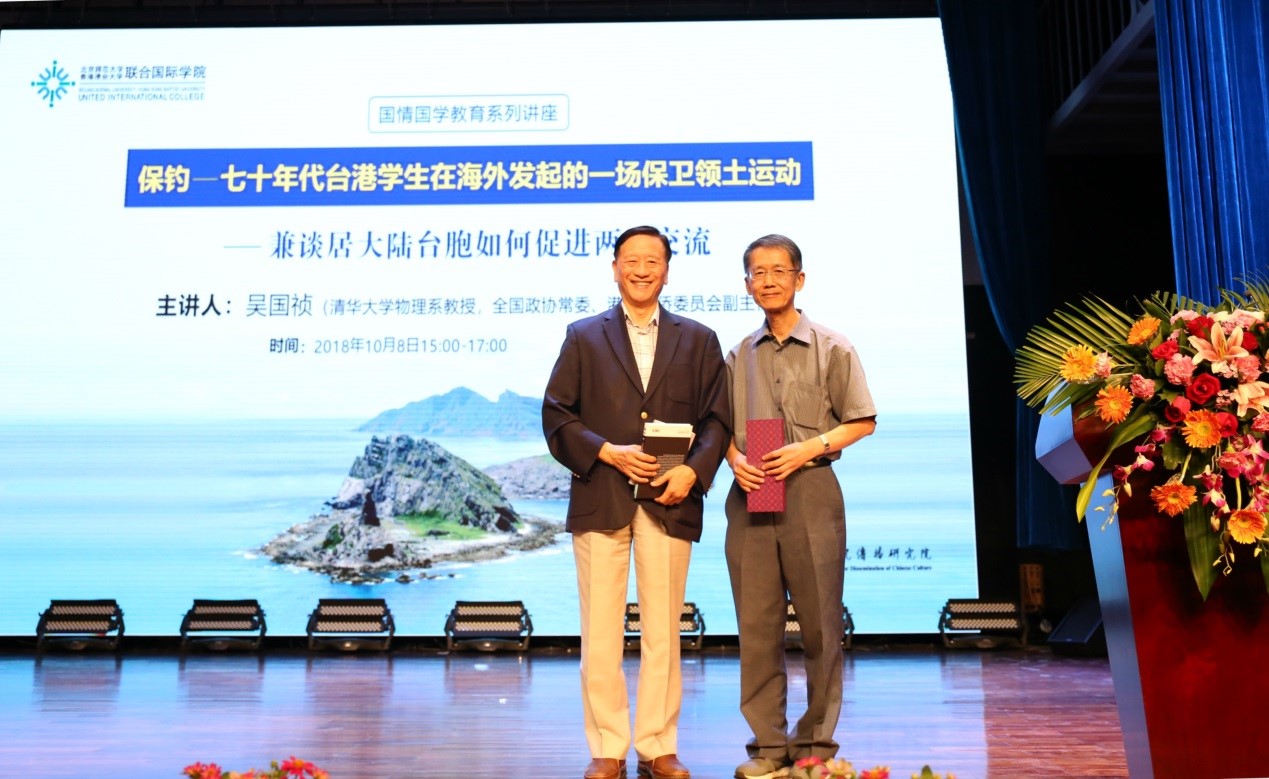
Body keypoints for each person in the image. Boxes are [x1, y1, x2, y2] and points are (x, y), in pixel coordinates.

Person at [543, 225, 731, 779]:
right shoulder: (583, 335)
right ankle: (607, 748)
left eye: (653, 261)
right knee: (600, 631)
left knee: (663, 631)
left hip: (670, 500)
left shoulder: (699, 338)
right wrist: (607, 452)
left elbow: (718, 420)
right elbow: (557, 414)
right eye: (631, 260)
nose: (642, 270)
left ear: (667, 271)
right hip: (601, 497)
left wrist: (693, 472)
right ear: (614, 268)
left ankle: (657, 745)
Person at [723, 234, 877, 779]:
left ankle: (814, 747)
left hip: (810, 487)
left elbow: (862, 420)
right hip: (752, 490)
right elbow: (720, 428)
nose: (768, 281)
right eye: (758, 273)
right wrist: (733, 458)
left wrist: (810, 447)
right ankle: (767, 747)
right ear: (747, 284)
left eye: (779, 271)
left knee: (819, 627)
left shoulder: (833, 347)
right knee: (757, 627)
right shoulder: (737, 355)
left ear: (799, 279)